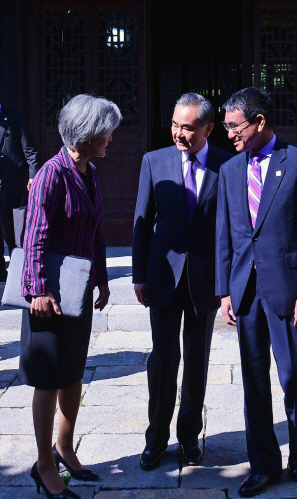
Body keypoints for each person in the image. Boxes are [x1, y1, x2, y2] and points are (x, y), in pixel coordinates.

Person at [215, 87, 297, 497]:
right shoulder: (229, 171)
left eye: (234, 126)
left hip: (289, 290)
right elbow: (225, 236)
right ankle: (263, 464)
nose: (229, 134)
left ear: (259, 122)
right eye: (227, 126)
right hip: (245, 292)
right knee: (253, 381)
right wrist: (224, 290)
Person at [19, 94, 121, 499]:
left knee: (73, 373)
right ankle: (44, 464)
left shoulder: (89, 172)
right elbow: (35, 237)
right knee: (47, 379)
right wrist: (38, 290)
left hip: (77, 290)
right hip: (49, 296)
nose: (111, 138)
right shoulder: (50, 174)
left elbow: (95, 230)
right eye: (106, 132)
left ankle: (65, 448)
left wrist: (103, 278)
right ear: (87, 134)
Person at [132, 92, 232, 471]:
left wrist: (227, 286)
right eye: (175, 124)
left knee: (197, 360)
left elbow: (231, 232)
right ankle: (155, 439)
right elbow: (142, 224)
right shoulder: (153, 162)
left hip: (205, 280)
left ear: (208, 128)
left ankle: (190, 436)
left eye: (188, 127)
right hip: (162, 276)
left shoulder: (228, 166)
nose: (179, 133)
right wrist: (139, 274)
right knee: (162, 359)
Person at [0, 104, 39, 281]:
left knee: (10, 229)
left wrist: (33, 176)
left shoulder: (15, 116)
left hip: (10, 183)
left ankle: (19, 271)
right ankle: (1, 274)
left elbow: (30, 149)